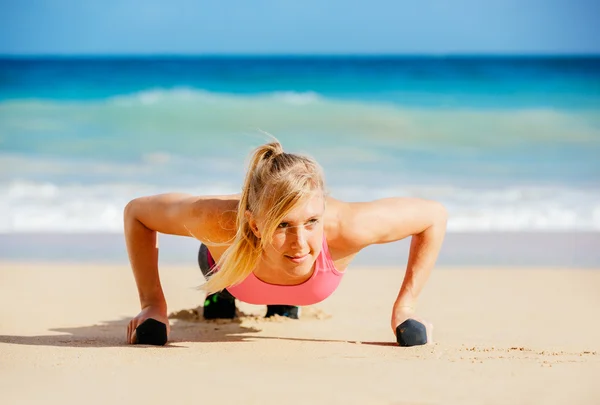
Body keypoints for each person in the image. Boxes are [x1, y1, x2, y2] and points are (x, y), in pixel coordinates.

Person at [124, 138, 447, 345]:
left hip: (292, 277)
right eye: (283, 224)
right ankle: (219, 293)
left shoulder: (348, 226)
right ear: (254, 222)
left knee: (284, 302)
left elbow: (433, 216)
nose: (300, 242)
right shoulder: (219, 220)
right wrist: (153, 305)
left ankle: (282, 300)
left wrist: (405, 309)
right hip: (230, 267)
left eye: (311, 222)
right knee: (219, 299)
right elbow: (137, 213)